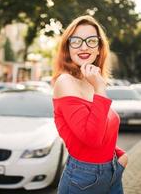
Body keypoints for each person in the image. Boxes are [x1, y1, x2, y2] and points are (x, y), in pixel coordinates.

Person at [52, 15, 128, 194]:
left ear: (99, 48)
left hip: (111, 171)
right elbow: (92, 138)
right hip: (83, 179)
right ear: (67, 47)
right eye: (76, 41)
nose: (84, 46)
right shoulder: (65, 82)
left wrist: (119, 156)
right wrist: (100, 88)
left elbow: (102, 129)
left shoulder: (91, 82)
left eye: (91, 41)